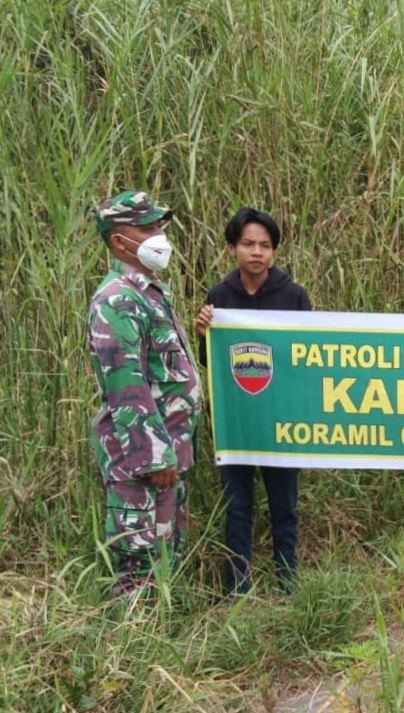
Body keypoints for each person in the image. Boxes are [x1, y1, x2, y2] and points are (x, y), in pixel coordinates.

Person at [87, 190, 202, 598]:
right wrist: (154, 456)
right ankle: (130, 635)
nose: (159, 237)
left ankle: (160, 630)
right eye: (148, 228)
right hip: (141, 461)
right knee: (138, 562)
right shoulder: (117, 299)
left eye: (158, 226)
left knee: (165, 553)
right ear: (120, 242)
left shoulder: (148, 293)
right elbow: (126, 385)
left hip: (166, 453)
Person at [195, 207, 312, 595]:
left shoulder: (294, 296)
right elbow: (210, 362)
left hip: (281, 421)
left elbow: (308, 358)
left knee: (285, 508)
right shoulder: (219, 296)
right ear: (232, 248)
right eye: (248, 244)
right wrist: (204, 333)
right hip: (237, 422)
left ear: (274, 251)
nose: (257, 252)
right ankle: (238, 588)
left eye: (265, 245)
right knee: (237, 508)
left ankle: (288, 586)